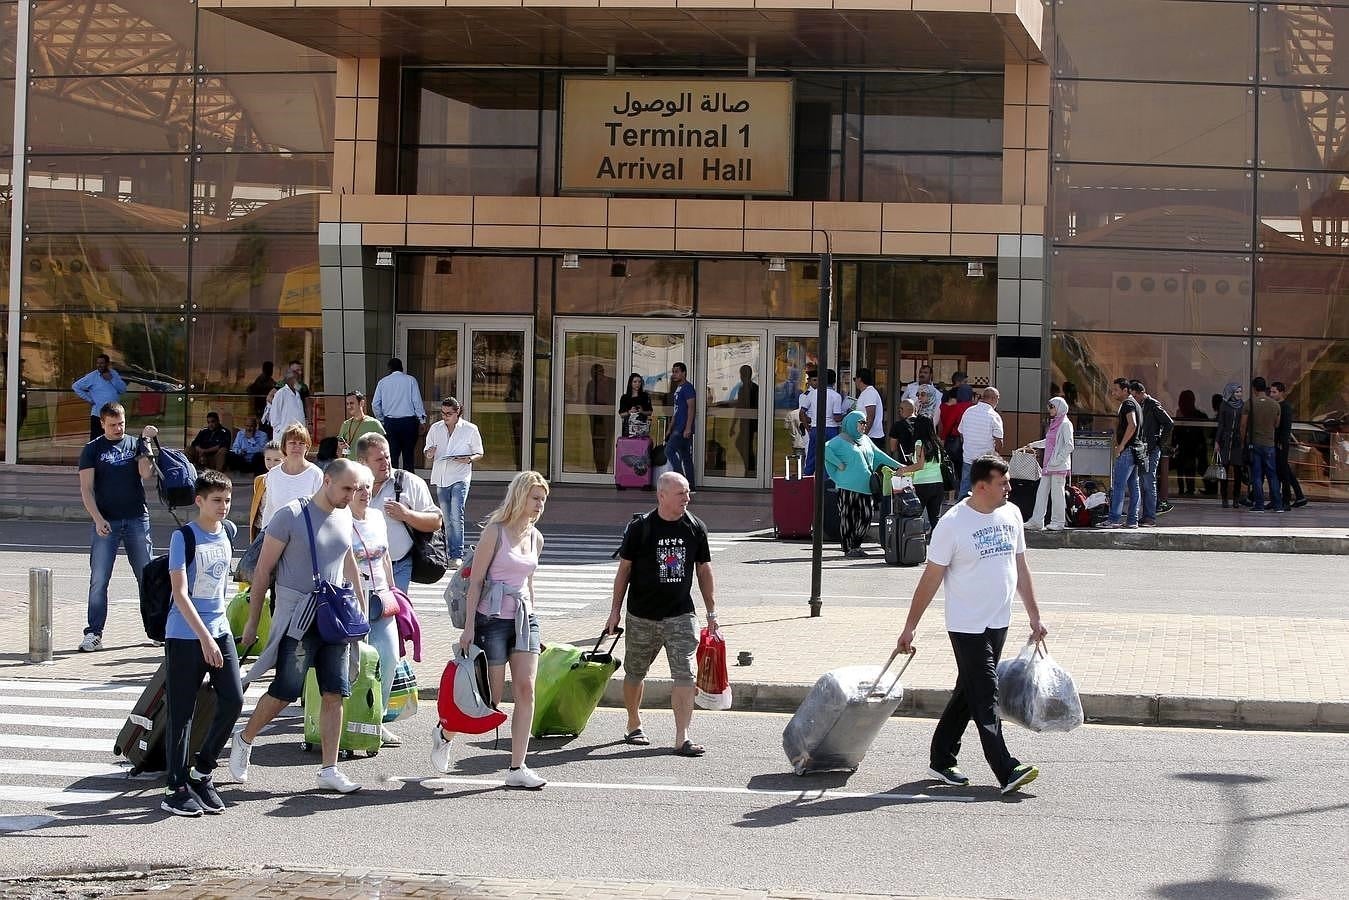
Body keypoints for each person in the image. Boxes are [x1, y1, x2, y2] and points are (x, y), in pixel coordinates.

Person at [896, 454, 1047, 795]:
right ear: (981, 486)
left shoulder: (1011, 514)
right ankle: (1006, 768)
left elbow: (1021, 568)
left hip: (999, 620)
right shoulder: (953, 524)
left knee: (969, 691)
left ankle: (941, 757)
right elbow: (931, 578)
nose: (1009, 487)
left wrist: (1035, 616)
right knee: (985, 694)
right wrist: (910, 626)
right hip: (967, 625)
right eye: (1003, 483)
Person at [230, 459, 368, 794]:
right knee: (286, 689)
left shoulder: (344, 514)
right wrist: (252, 621)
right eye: (347, 488)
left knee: (335, 692)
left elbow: (348, 560)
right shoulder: (291, 515)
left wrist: (361, 613)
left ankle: (329, 769)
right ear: (327, 481)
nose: (352, 495)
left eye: (356, 489)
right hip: (299, 619)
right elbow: (262, 571)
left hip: (335, 619)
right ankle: (245, 738)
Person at [431, 471, 551, 790]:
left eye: (543, 500)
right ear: (520, 496)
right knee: (490, 698)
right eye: (535, 498)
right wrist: (468, 627)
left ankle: (517, 766)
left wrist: (535, 621)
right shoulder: (495, 532)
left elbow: (529, 582)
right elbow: (476, 582)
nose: (540, 505)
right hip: (492, 619)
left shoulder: (536, 537)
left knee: (526, 689)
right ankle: (445, 733)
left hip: (524, 620)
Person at [605, 471, 718, 757]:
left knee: (685, 674)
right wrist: (614, 612)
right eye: (681, 494)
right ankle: (633, 722)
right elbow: (624, 571)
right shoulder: (641, 528)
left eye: (688, 493)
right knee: (635, 672)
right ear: (662, 495)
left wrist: (712, 612)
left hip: (681, 614)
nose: (687, 498)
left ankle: (682, 737)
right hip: (642, 614)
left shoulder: (695, 527)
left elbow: (704, 570)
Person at [159, 470, 244, 817]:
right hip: (185, 635)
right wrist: (204, 638)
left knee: (234, 699)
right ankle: (174, 787)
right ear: (199, 501)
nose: (223, 507)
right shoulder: (184, 538)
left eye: (227, 500)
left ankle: (202, 771)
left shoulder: (226, 532)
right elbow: (180, 594)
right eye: (216, 500)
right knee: (182, 712)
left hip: (219, 629)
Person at [77, 402, 157, 652]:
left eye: (121, 423)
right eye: (112, 425)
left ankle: (158, 629)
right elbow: (86, 489)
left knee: (147, 577)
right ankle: (94, 632)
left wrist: (145, 444)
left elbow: (146, 474)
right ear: (102, 424)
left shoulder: (134, 444)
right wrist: (98, 519)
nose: (117, 428)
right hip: (107, 522)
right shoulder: (92, 449)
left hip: (136, 518)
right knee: (99, 579)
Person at [348, 463, 403, 748]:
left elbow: (385, 556)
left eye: (368, 487)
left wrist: (394, 590)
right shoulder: (341, 520)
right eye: (358, 487)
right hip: (351, 601)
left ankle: (377, 721)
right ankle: (349, 721)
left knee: (389, 656)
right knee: (356, 665)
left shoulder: (377, 517)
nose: (365, 493)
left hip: (380, 598)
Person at [355, 433, 441, 593]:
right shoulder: (350, 486)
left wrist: (406, 515)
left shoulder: (409, 482)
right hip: (359, 569)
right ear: (362, 462)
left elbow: (436, 521)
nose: (385, 463)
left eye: (387, 457)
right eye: (379, 460)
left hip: (398, 566)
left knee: (395, 613)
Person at [824, 410, 904, 559]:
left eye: (865, 423)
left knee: (866, 516)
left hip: (866, 487)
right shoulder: (840, 440)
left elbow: (880, 455)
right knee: (848, 517)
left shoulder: (865, 439)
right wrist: (838, 464)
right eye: (861, 423)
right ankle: (849, 548)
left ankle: (856, 545)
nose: (864, 426)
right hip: (847, 488)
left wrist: (900, 466)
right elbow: (825, 449)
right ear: (852, 423)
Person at [424, 397, 483, 568]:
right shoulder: (436, 428)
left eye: (449, 414)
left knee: (457, 515)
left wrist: (469, 459)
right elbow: (427, 451)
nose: (445, 417)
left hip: (460, 476)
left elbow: (479, 452)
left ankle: (456, 554)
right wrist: (430, 452)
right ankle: (449, 552)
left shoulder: (470, 429)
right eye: (442, 413)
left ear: (458, 412)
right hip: (442, 476)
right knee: (447, 518)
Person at [1099, 378, 1144, 529]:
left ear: (1125, 390)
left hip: (1127, 451)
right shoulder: (1136, 404)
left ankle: (1114, 519)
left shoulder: (1128, 404)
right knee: (1133, 486)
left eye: (1116, 390)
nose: (1113, 393)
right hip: (1135, 451)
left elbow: (1133, 424)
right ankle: (1132, 520)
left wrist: (1121, 445)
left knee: (1119, 485)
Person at [259, 424, 323, 530]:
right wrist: (264, 535)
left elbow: (321, 509)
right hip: (277, 535)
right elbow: (269, 508)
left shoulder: (316, 474)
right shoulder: (273, 474)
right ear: (284, 446)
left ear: (307, 447)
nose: (296, 447)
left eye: (301, 443)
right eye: (292, 443)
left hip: (305, 535)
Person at [1025, 397, 1075, 531]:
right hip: (1049, 465)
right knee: (1042, 492)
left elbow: (1069, 445)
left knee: (1057, 494)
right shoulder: (1056, 423)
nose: (1050, 409)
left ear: (1059, 407)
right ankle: (1037, 521)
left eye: (1052, 406)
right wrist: (1034, 444)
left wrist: (1057, 460)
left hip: (1057, 465)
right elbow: (1049, 442)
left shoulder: (1065, 424)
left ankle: (1058, 522)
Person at [1130, 380, 1174, 526]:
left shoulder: (1152, 404)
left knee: (1148, 482)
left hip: (1151, 448)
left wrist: (1159, 443)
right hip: (1141, 448)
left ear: (1141, 393)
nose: (1132, 398)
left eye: (1134, 395)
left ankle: (1150, 517)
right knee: (1142, 483)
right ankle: (1145, 515)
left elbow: (1169, 423)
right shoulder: (1137, 405)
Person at [372, 358, 425, 472]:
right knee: (408, 456)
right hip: (409, 422)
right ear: (402, 368)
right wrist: (422, 420)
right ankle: (409, 485)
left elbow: (375, 404)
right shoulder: (410, 380)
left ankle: (393, 484)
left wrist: (381, 419)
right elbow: (417, 401)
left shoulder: (383, 382)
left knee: (392, 456)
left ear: (389, 369)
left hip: (390, 422)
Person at [894, 416, 946, 531]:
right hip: (938, 483)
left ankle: (914, 543)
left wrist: (903, 470)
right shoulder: (936, 442)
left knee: (915, 515)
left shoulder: (919, 442)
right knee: (935, 518)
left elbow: (920, 465)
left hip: (922, 484)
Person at [1242, 377, 1284, 513]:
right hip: (1270, 444)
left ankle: (1259, 504)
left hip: (1255, 444)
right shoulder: (1275, 405)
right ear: (1265, 388)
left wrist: (1244, 441)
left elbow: (1243, 425)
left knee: (1257, 475)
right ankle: (1278, 505)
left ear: (1254, 388)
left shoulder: (1250, 404)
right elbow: (1277, 424)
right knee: (1272, 475)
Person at [956, 388, 1004, 497]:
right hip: (985, 461)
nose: (998, 402)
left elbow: (961, 432)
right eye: (998, 399)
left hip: (968, 457)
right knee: (984, 491)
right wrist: (995, 454)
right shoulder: (994, 416)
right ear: (993, 398)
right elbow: (999, 442)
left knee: (964, 491)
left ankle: (962, 512)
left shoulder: (968, 411)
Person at [800, 369, 846, 477]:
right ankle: (825, 486)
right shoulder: (836, 396)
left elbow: (802, 412)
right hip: (831, 430)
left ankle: (806, 482)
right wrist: (847, 413)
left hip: (816, 429)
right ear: (834, 381)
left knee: (811, 458)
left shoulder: (812, 394)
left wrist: (808, 428)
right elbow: (837, 418)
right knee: (829, 458)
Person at [1270, 381, 1308, 509]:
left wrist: (1281, 442)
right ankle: (1297, 496)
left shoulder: (1284, 407)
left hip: (1281, 443)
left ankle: (1286, 499)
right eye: (1271, 391)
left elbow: (1285, 427)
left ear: (1281, 392)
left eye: (1274, 392)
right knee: (1282, 470)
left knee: (1283, 472)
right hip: (1276, 442)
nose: (1271, 394)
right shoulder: (1276, 405)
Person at [73, 354, 127, 441]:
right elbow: (76, 386)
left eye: (102, 363)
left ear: (107, 364)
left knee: (114, 439)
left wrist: (111, 379)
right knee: (96, 441)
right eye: (98, 363)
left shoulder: (113, 374)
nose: (99, 365)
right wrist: (89, 399)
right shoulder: (92, 376)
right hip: (98, 415)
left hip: (114, 415)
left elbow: (123, 390)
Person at [1215, 383, 1247, 509]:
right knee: (1224, 470)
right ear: (1231, 393)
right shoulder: (1224, 405)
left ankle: (1236, 499)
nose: (1239, 394)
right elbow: (1221, 424)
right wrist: (1217, 441)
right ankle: (1224, 499)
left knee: (1238, 471)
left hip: (1238, 440)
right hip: (1225, 440)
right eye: (1236, 392)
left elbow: (1245, 424)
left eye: (1240, 391)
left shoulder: (1243, 406)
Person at [1172, 390, 1209, 497]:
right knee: (1187, 465)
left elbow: (1177, 432)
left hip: (1191, 447)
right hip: (1190, 446)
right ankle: (1188, 489)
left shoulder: (1195, 414)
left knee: (1187, 465)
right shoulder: (1195, 414)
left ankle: (1185, 489)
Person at [665, 362, 696, 485]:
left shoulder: (688, 387)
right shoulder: (678, 389)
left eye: (677, 371)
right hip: (677, 426)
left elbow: (691, 408)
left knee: (669, 451)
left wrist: (688, 427)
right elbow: (676, 410)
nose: (674, 374)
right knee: (685, 456)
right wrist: (669, 428)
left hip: (682, 427)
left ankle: (681, 481)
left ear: (684, 373)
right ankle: (691, 486)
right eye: (673, 371)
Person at [940, 387, 975, 491]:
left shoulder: (956, 407)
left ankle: (957, 491)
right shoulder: (973, 407)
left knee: (956, 468)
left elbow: (949, 424)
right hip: (971, 442)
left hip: (955, 441)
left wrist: (943, 438)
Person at [248, 441, 284, 541]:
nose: (271, 464)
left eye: (277, 460)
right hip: (261, 528)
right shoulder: (260, 480)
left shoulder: (288, 481)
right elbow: (257, 508)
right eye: (268, 459)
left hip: (280, 530)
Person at [338, 390, 385, 461]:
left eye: (352, 403)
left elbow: (383, 446)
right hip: (350, 466)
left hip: (367, 467)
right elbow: (341, 449)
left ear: (361, 403)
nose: (349, 406)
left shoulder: (374, 423)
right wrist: (341, 446)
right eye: (347, 404)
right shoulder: (346, 424)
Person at [731, 364, 759, 477]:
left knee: (745, 445)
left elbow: (741, 406)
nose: (742, 376)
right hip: (745, 421)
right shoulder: (743, 388)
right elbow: (739, 407)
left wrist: (733, 425)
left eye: (743, 374)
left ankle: (751, 468)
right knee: (743, 444)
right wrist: (733, 424)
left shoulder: (753, 388)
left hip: (750, 422)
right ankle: (750, 467)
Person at [586, 364, 616, 473]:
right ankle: (599, 470)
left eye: (598, 372)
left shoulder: (612, 382)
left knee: (607, 443)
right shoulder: (591, 384)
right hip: (596, 418)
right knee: (597, 443)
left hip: (608, 418)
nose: (596, 375)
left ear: (603, 372)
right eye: (593, 373)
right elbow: (587, 402)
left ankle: (605, 469)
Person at [262, 366, 306, 437]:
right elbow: (274, 414)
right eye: (296, 379)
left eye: (299, 379)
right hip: (283, 435)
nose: (299, 382)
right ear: (289, 380)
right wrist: (280, 430)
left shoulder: (297, 394)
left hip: (297, 434)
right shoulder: (281, 393)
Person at [853, 368, 887, 449]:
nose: (855, 382)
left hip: (872, 437)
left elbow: (870, 416)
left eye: (855, 379)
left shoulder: (869, 393)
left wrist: (863, 435)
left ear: (859, 379)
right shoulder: (865, 393)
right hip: (868, 436)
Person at [619, 373, 653, 438]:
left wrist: (642, 411)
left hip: (642, 428)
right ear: (630, 383)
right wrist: (630, 411)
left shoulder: (645, 396)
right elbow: (621, 414)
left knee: (641, 446)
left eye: (639, 382)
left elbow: (650, 412)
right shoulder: (625, 397)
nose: (637, 384)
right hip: (628, 428)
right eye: (635, 382)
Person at [246, 362, 275, 435]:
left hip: (267, 409)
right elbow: (253, 389)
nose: (271, 371)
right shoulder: (261, 380)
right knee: (264, 429)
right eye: (270, 369)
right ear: (265, 369)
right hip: (261, 409)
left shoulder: (269, 379)